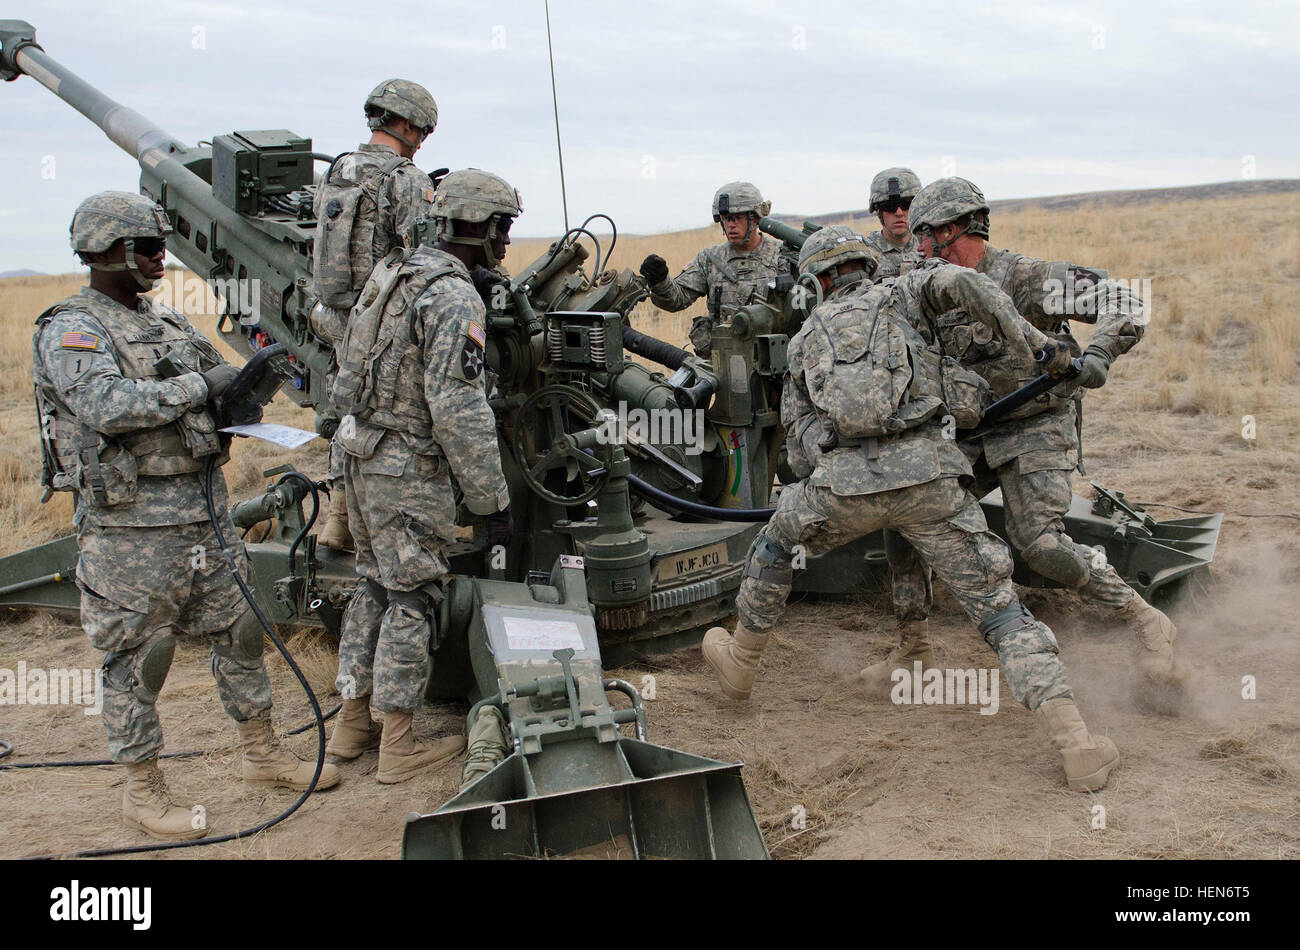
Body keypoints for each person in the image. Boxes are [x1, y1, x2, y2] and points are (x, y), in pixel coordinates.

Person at [702, 237, 1120, 792]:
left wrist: (842, 459)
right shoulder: (904, 295)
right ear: (866, 268)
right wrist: (1037, 344)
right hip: (930, 480)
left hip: (839, 490)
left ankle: (741, 662)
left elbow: (796, 456)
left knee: (774, 547)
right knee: (999, 610)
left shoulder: (803, 339)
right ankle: (1078, 747)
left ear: (815, 283)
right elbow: (970, 284)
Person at [33, 192, 339, 841]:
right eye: (147, 247)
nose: (159, 257)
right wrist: (203, 387)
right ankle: (142, 791)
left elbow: (219, 383)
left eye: (159, 244)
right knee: (142, 653)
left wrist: (248, 388)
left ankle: (261, 753)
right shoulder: (72, 328)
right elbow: (109, 405)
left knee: (241, 631)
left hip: (204, 509)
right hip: (129, 525)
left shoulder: (169, 322)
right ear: (111, 250)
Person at [898, 177, 1185, 710]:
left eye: (923, 236)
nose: (916, 248)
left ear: (953, 229)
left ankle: (1143, 618)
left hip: (1036, 424)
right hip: (972, 429)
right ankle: (911, 649)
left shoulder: (1027, 279)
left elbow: (1123, 298)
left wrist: (1098, 353)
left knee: (1042, 545)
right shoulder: (930, 286)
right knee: (906, 505)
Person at [326, 169, 518, 782]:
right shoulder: (454, 296)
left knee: (372, 586)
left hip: (359, 453)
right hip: (407, 466)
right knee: (414, 594)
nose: (507, 245)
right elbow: (458, 407)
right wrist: (492, 501)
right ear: (482, 229)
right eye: (503, 229)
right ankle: (398, 746)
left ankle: (352, 724)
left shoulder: (392, 273)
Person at [312, 79, 440, 553]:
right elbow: (424, 261)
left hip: (337, 319)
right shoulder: (407, 180)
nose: (422, 141)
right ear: (406, 123)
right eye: (422, 130)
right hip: (384, 324)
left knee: (347, 412)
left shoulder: (337, 172)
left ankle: (337, 519)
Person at [639, 181, 790, 358]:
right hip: (722, 362)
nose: (731, 225)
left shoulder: (783, 256)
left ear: (755, 218)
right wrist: (660, 281)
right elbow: (677, 299)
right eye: (726, 218)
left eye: (738, 218)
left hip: (773, 361)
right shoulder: (710, 259)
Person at [864, 166, 923, 278]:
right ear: (878, 211)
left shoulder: (930, 247)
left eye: (906, 204)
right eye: (890, 206)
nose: (899, 213)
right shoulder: (865, 255)